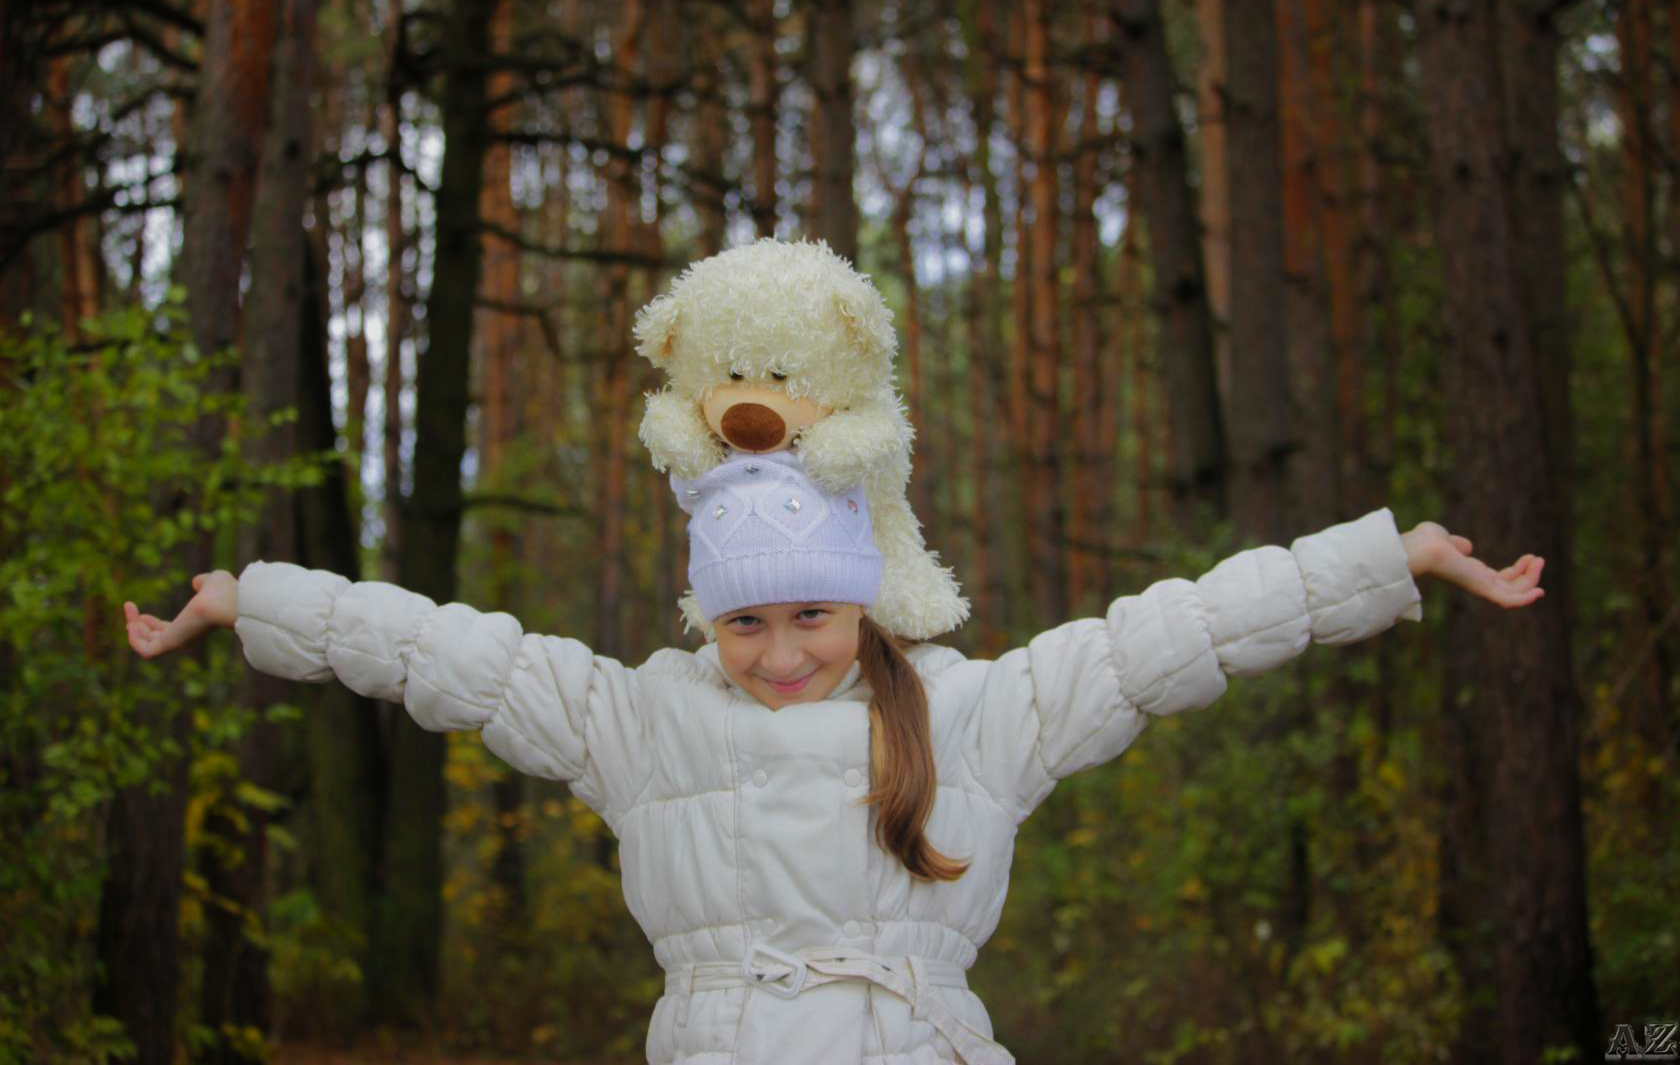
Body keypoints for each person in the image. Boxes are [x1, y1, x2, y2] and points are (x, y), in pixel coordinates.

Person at [124, 447, 1544, 1065]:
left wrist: (1391, 556)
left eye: (811, 612)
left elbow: (1169, 636)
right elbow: (449, 654)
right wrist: (253, 601)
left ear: (863, 597)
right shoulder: (645, 716)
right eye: (747, 620)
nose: (783, 649)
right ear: (704, 613)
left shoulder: (982, 709)